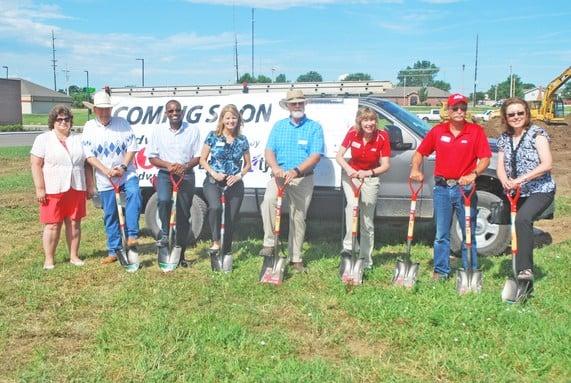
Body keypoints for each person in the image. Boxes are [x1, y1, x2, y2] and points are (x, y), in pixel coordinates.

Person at [410, 93, 491, 280]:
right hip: (442, 189)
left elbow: (485, 158)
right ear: (448, 110)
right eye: (455, 108)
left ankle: (469, 271)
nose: (459, 111)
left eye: (463, 108)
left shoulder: (475, 131)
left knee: (468, 232)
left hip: (466, 190)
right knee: (441, 233)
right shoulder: (438, 131)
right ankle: (441, 271)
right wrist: (415, 168)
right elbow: (420, 153)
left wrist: (473, 174)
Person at [258, 89, 324, 272]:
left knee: (298, 217)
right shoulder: (279, 126)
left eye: (300, 103)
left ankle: (295, 257)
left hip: (302, 178)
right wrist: (276, 168)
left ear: (305, 104)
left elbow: (315, 156)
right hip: (279, 176)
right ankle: (270, 244)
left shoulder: (314, 127)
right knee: (268, 201)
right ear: (287, 106)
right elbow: (269, 151)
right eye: (293, 103)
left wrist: (296, 171)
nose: (297, 106)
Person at [496, 97, 555, 281]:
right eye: (511, 114)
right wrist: (505, 180)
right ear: (505, 118)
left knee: (523, 219)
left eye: (520, 113)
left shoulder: (537, 134)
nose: (516, 117)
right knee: (514, 223)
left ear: (527, 114)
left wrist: (520, 180)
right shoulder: (504, 138)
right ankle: (518, 261)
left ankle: (525, 270)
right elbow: (500, 166)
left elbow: (547, 164)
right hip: (517, 191)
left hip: (540, 188)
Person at [81, 90, 142, 264]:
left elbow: (132, 147)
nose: (104, 112)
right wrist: (106, 170)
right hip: (105, 176)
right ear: (95, 110)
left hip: (126, 173)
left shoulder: (122, 123)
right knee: (110, 213)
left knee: (134, 194)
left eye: (107, 109)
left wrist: (123, 166)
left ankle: (132, 235)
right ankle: (114, 250)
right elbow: (89, 155)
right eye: (101, 109)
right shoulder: (89, 127)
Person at [30, 105, 94, 269]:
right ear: (53, 121)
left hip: (76, 186)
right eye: (59, 119)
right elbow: (36, 164)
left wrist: (89, 185)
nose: (63, 122)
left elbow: (88, 164)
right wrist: (40, 188)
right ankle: (49, 259)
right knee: (52, 224)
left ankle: (74, 256)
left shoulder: (79, 139)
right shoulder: (43, 139)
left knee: (74, 223)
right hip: (53, 188)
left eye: (67, 119)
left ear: (71, 121)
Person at [148, 99, 201, 267]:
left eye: (177, 110)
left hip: (186, 174)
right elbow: (152, 157)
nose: (174, 113)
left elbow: (199, 156)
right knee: (163, 201)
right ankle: (165, 233)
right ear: (166, 113)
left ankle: (181, 254)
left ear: (182, 112)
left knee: (183, 214)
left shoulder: (192, 130)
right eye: (171, 111)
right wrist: (169, 166)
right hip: (165, 174)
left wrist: (184, 167)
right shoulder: (158, 131)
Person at [336, 107, 391, 269]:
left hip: (370, 178)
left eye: (372, 119)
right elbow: (339, 156)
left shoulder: (382, 136)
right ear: (360, 121)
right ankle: (349, 247)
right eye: (366, 120)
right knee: (352, 207)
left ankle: (365, 259)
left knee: (367, 220)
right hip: (351, 176)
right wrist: (350, 170)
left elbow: (386, 165)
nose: (370, 123)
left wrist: (368, 172)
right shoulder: (353, 133)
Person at [199, 104, 252, 260]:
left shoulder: (242, 140)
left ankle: (226, 251)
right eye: (227, 117)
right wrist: (214, 173)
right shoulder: (213, 136)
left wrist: (239, 175)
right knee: (215, 208)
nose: (231, 121)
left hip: (234, 183)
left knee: (230, 217)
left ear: (238, 120)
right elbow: (202, 159)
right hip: (213, 182)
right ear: (222, 119)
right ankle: (216, 242)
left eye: (234, 117)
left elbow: (248, 164)